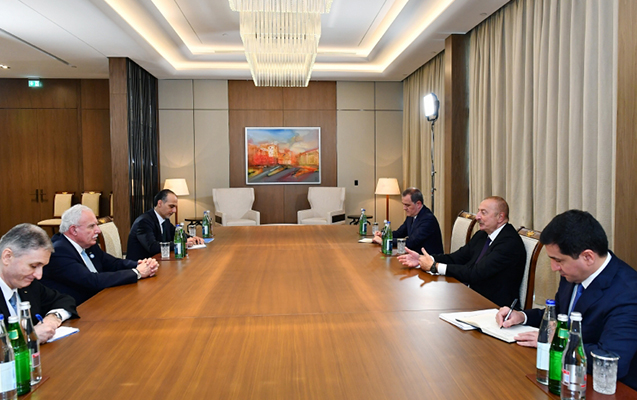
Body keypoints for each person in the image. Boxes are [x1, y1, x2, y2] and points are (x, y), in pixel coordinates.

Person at [496, 210, 637, 390]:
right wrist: (522, 317)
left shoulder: (628, 293)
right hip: (564, 375)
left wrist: (558, 342)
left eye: (558, 260)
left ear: (588, 257)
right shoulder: (573, 274)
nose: (554, 268)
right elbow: (561, 316)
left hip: (606, 388)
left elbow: (611, 360)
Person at [398, 196, 526, 307]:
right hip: (471, 294)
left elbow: (475, 273)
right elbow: (457, 258)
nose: (477, 217)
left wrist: (435, 266)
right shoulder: (482, 235)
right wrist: (423, 259)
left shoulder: (509, 243)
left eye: (483, 212)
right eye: (478, 211)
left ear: (500, 217)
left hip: (493, 306)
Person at [40, 205, 159, 305]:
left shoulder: (88, 245)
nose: (98, 230)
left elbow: (113, 263)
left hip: (100, 299)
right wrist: (137, 272)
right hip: (80, 308)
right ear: (74, 230)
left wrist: (141, 264)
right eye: (92, 226)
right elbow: (92, 281)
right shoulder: (59, 252)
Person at [0, 223, 78, 343]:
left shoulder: (28, 285)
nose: (39, 275)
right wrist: (29, 336)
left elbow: (65, 300)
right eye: (33, 266)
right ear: (7, 257)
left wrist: (52, 318)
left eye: (42, 267)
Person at [126, 189, 204, 260]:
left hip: (158, 261)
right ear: (159, 203)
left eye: (175, 207)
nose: (174, 210)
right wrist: (181, 243)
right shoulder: (144, 221)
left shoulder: (165, 220)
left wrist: (192, 238)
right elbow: (152, 247)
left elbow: (175, 233)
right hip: (140, 265)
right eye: (171, 206)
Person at [371, 187, 443, 255]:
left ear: (418, 204)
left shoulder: (428, 219)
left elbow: (411, 242)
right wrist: (383, 235)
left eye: (407, 205)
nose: (404, 208)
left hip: (428, 260)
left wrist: (385, 241)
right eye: (404, 204)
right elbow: (399, 233)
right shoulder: (411, 215)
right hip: (415, 257)